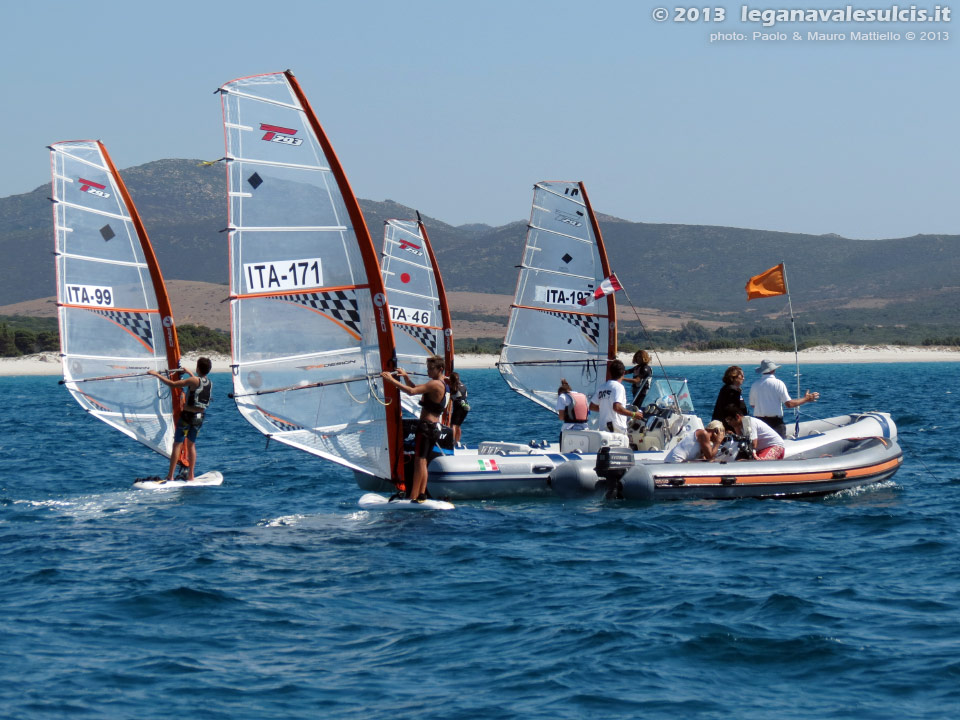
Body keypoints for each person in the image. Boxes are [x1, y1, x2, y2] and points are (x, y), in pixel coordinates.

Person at [381, 354, 447, 503]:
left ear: (440, 369)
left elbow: (411, 392)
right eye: (427, 368)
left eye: (431, 369)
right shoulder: (440, 384)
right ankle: (421, 494)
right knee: (423, 461)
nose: (428, 371)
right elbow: (416, 388)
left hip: (426, 428)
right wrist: (405, 377)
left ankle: (413, 496)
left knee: (419, 462)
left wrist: (390, 380)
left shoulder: (435, 384)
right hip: (433, 428)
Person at [149, 357, 213, 482]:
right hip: (200, 418)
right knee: (191, 445)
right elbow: (197, 383)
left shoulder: (193, 380)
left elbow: (172, 384)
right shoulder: (209, 382)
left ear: (198, 368)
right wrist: (189, 373)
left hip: (187, 417)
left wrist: (156, 375)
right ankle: (191, 476)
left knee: (177, 444)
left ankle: (170, 476)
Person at [748, 359, 820, 438]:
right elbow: (789, 404)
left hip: (759, 423)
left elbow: (753, 405)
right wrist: (806, 399)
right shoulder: (778, 383)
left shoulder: (754, 385)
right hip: (775, 423)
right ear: (773, 370)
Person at [589, 359, 642, 435]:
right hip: (616, 429)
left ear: (610, 373)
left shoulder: (602, 387)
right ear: (623, 373)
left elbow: (592, 406)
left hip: (603, 428)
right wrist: (633, 414)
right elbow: (616, 407)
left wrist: (606, 408)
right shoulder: (618, 387)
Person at [447, 371, 469, 445]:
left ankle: (451, 441)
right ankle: (457, 441)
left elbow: (451, 396)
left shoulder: (454, 387)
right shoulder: (463, 386)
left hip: (458, 406)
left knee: (453, 425)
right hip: (465, 406)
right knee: (458, 425)